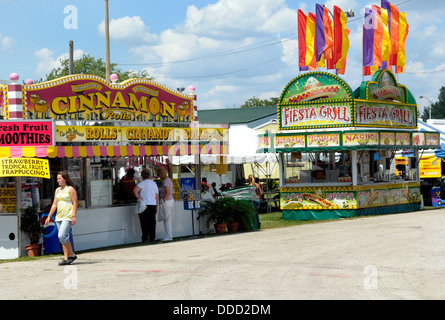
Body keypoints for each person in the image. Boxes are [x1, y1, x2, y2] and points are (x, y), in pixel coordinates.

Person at [45, 171, 78, 266]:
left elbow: (75, 203)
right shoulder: (57, 190)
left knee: (61, 235)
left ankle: (72, 254)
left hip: (67, 216)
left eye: (59, 178)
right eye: (57, 179)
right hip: (59, 216)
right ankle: (66, 258)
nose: (58, 180)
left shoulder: (70, 189)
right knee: (63, 238)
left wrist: (73, 216)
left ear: (65, 179)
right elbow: (55, 204)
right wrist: (49, 216)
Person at [133, 168, 159, 243]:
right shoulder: (154, 184)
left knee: (144, 222)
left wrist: (138, 197)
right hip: (153, 204)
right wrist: (156, 206)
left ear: (142, 175)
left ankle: (145, 238)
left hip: (144, 205)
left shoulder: (142, 183)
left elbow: (135, 190)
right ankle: (152, 237)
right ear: (150, 175)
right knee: (152, 222)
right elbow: (157, 196)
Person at [157, 167, 174, 241]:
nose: (158, 176)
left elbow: (167, 192)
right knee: (167, 219)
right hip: (169, 201)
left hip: (167, 201)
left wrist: (162, 200)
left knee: (166, 219)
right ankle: (169, 236)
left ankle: (168, 236)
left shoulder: (166, 181)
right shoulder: (168, 180)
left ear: (161, 174)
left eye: (159, 174)